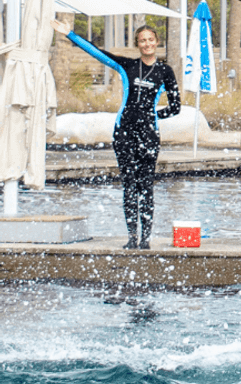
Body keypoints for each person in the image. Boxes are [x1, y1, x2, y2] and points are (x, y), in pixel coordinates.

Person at [52, 19, 181, 250]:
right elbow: (98, 53)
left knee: (146, 186)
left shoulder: (165, 71)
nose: (147, 44)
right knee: (129, 184)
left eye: (150, 40)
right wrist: (70, 34)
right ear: (138, 44)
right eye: (142, 40)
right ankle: (132, 238)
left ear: (157, 42)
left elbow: (175, 107)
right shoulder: (127, 66)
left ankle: (145, 239)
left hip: (149, 135)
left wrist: (153, 116)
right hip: (124, 133)